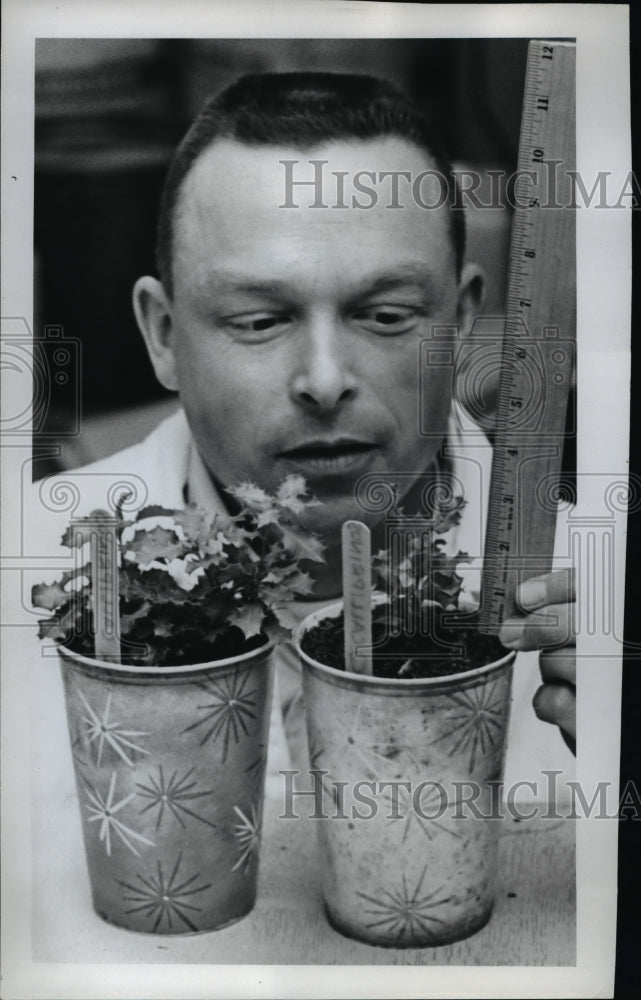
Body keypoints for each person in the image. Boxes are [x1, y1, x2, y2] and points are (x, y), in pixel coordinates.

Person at [35, 72, 576, 783]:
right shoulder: (24, 564)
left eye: (385, 315)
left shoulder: (593, 597)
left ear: (463, 321)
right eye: (260, 321)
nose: (323, 380)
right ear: (162, 336)